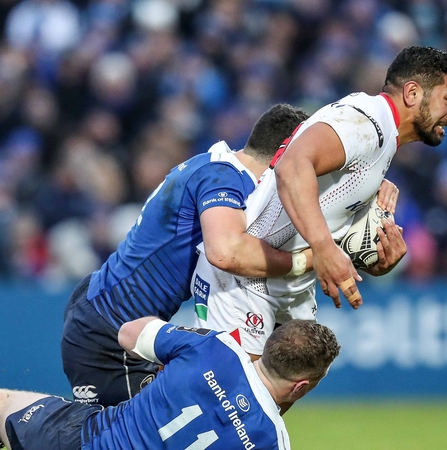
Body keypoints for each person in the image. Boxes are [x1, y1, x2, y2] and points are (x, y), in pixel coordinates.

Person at [191, 46, 447, 358]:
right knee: (236, 403)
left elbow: (328, 209)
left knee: (302, 373)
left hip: (287, 287)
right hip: (245, 282)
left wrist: (372, 257)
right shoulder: (367, 124)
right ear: (412, 93)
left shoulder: (382, 136)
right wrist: (323, 248)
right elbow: (292, 167)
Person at [61, 104, 311, 407]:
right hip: (110, 329)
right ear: (285, 151)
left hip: (109, 313)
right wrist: (307, 262)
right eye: (308, 156)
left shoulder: (215, 165)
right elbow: (225, 252)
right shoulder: (224, 178)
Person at [0, 317, 340, 450]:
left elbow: (130, 333)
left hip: (80, 437)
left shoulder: (216, 348)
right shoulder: (275, 442)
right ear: (303, 386)